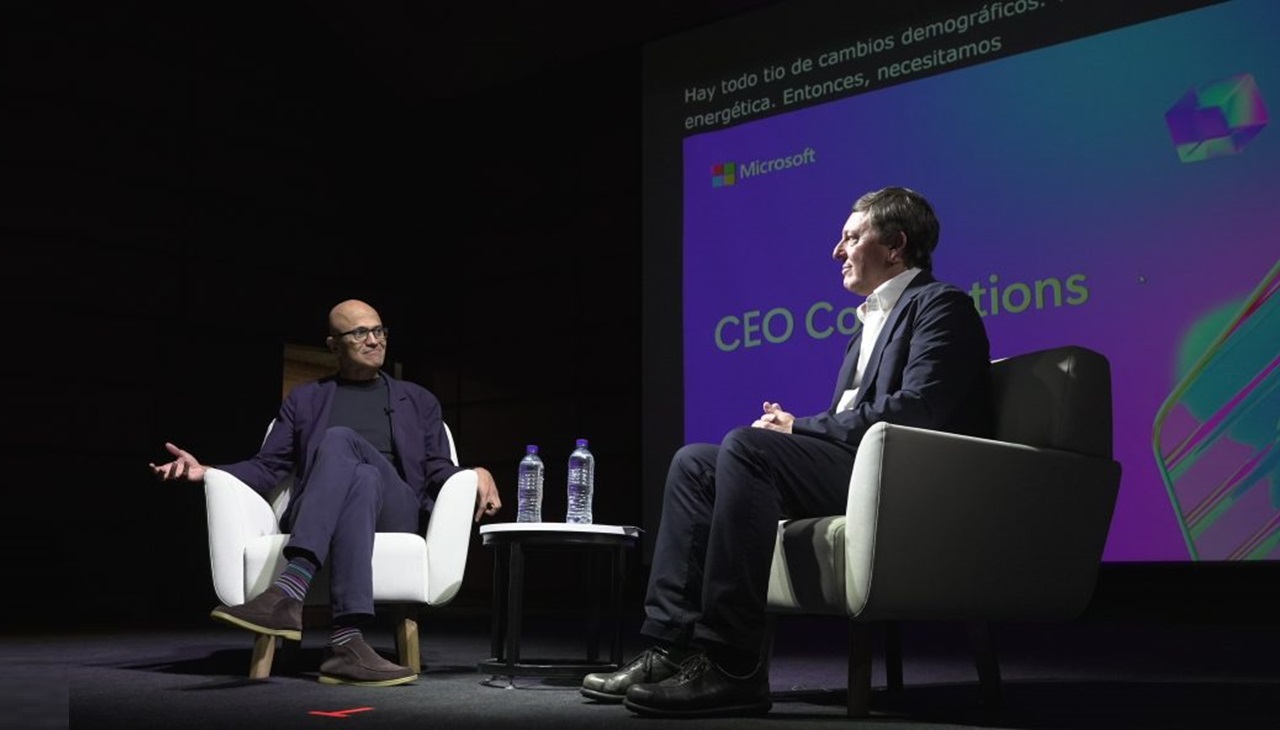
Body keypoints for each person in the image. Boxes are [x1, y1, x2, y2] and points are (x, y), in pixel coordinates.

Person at [581, 186, 993, 716]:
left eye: (850, 237)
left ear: (895, 246)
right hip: (860, 467)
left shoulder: (940, 306)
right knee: (694, 463)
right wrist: (796, 431)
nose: (836, 251)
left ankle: (734, 665)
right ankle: (670, 647)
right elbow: (855, 421)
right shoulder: (865, 328)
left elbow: (920, 409)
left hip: (904, 475)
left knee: (749, 448)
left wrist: (798, 427)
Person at [150, 298, 503, 687]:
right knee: (362, 479)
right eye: (360, 333)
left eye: (380, 330)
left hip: (396, 510)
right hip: (327, 505)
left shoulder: (417, 401)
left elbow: (437, 467)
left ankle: (288, 589)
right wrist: (209, 471)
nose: (375, 340)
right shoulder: (306, 399)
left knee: (342, 443)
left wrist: (473, 472)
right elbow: (269, 467)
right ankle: (346, 645)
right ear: (334, 345)